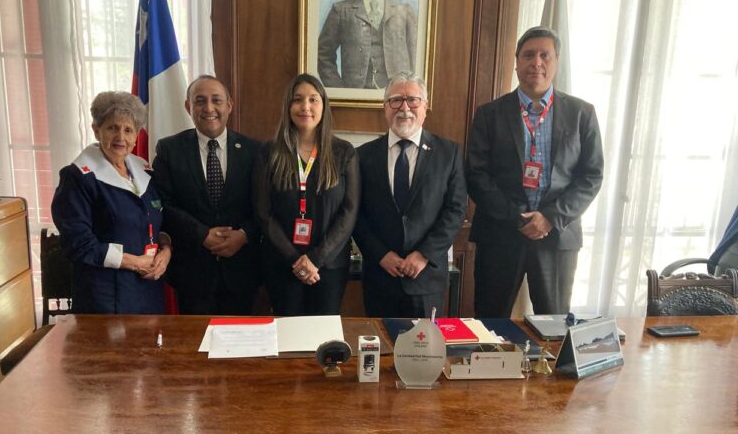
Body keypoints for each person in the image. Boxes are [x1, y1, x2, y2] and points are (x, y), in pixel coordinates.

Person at [466, 26, 604, 317]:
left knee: (553, 325)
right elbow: (476, 175)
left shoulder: (582, 114)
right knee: (490, 323)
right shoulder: (489, 114)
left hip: (557, 237)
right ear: (516, 61)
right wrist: (518, 218)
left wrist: (550, 218)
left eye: (545, 55)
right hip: (500, 235)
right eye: (528, 55)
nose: (536, 63)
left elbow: (591, 177)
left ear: (556, 61)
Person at [353, 71, 466, 318]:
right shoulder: (363, 156)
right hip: (380, 276)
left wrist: (424, 254)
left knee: (425, 354)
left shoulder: (449, 153)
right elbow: (355, 214)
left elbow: (455, 211)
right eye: (396, 100)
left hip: (426, 279)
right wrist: (380, 255)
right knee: (379, 352)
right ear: (385, 108)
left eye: (413, 100)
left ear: (425, 107)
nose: (404, 108)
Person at [52, 91, 170, 314]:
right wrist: (133, 262)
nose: (120, 137)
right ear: (96, 130)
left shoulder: (145, 171)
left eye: (128, 130)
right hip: (103, 297)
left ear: (136, 136)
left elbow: (155, 224)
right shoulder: (78, 177)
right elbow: (78, 243)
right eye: (112, 128)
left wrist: (166, 251)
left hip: (147, 291)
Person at [253, 74, 360, 315]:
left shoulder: (344, 152)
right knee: (287, 338)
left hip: (329, 267)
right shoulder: (269, 152)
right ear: (288, 106)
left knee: (323, 339)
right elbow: (263, 212)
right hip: (281, 264)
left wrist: (315, 260)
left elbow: (349, 212)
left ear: (324, 105)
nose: (306, 107)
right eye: (298, 99)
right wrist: (295, 259)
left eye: (313, 99)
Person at [152, 75, 260, 315]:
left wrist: (243, 235)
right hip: (193, 272)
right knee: (194, 347)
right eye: (200, 101)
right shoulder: (170, 150)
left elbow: (264, 205)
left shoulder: (254, 151)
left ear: (229, 105)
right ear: (188, 106)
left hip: (242, 270)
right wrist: (201, 234)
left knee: (241, 346)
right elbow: (162, 204)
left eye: (216, 100)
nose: (209, 108)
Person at [318, 0, 417, 89]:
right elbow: (322, 54)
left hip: (398, 96)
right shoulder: (341, 11)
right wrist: (340, 90)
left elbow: (416, 57)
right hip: (356, 95)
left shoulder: (404, 11)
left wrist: (410, 91)